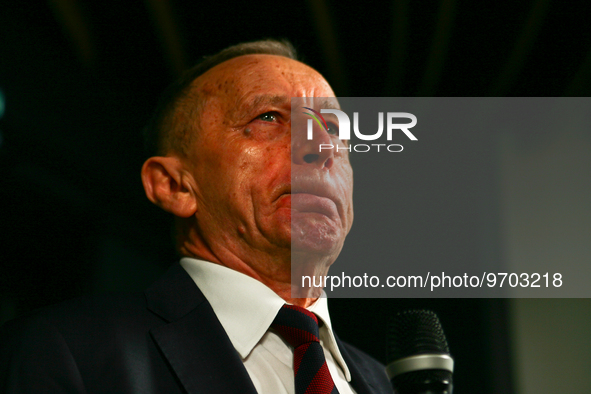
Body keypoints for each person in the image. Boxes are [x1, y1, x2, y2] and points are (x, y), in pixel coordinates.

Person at [0, 40, 392, 393]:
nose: (321, 147)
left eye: (332, 127)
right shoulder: (66, 353)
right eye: (268, 117)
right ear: (174, 186)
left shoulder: (388, 383)